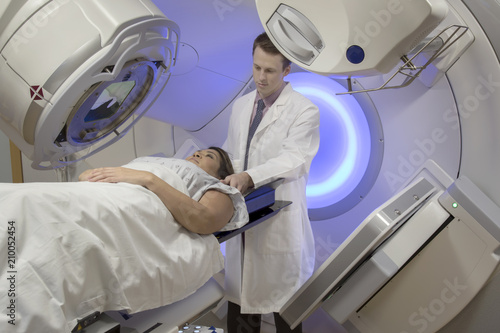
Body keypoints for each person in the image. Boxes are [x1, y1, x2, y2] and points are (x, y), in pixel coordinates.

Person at [222, 32, 320, 333]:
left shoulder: (305, 111)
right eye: (256, 68)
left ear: (286, 71)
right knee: (240, 311)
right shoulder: (241, 106)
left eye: (269, 70)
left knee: (285, 314)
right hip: (242, 223)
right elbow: (232, 152)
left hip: (279, 224)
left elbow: (294, 159)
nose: (260, 78)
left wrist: (248, 177)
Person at [80, 147, 241, 234]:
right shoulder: (157, 163)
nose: (197, 153)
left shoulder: (217, 188)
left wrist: (149, 179)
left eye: (209, 156)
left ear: (220, 176)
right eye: (197, 152)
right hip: (96, 191)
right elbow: (84, 176)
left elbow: (206, 222)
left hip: (124, 200)